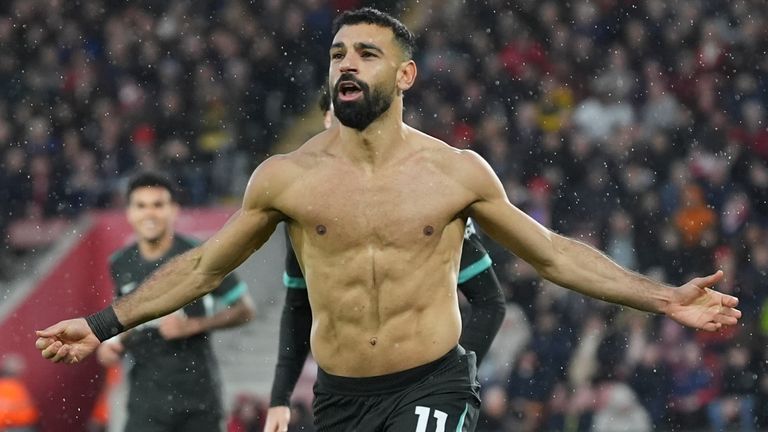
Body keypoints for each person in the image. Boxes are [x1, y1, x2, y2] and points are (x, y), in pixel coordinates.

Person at [35, 8, 741, 432]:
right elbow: (204, 266)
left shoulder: (455, 173)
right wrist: (103, 323)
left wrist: (662, 297)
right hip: (340, 397)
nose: (347, 64)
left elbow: (552, 254)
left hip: (431, 384)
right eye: (338, 53)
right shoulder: (286, 179)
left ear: (404, 77)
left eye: (367, 54)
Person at [264, 85, 507, 431]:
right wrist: (279, 398)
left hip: (427, 386)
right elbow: (298, 307)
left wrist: (448, 380)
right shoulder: (305, 214)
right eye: (337, 120)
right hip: (344, 395)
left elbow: (489, 301)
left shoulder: (420, 202)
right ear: (325, 123)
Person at [93, 172, 255, 432]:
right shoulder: (120, 262)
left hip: (198, 398)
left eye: (158, 205)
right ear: (130, 213)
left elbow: (245, 310)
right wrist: (113, 344)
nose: (150, 214)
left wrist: (193, 325)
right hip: (146, 400)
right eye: (141, 206)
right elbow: (126, 314)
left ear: (174, 210)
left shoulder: (201, 256)